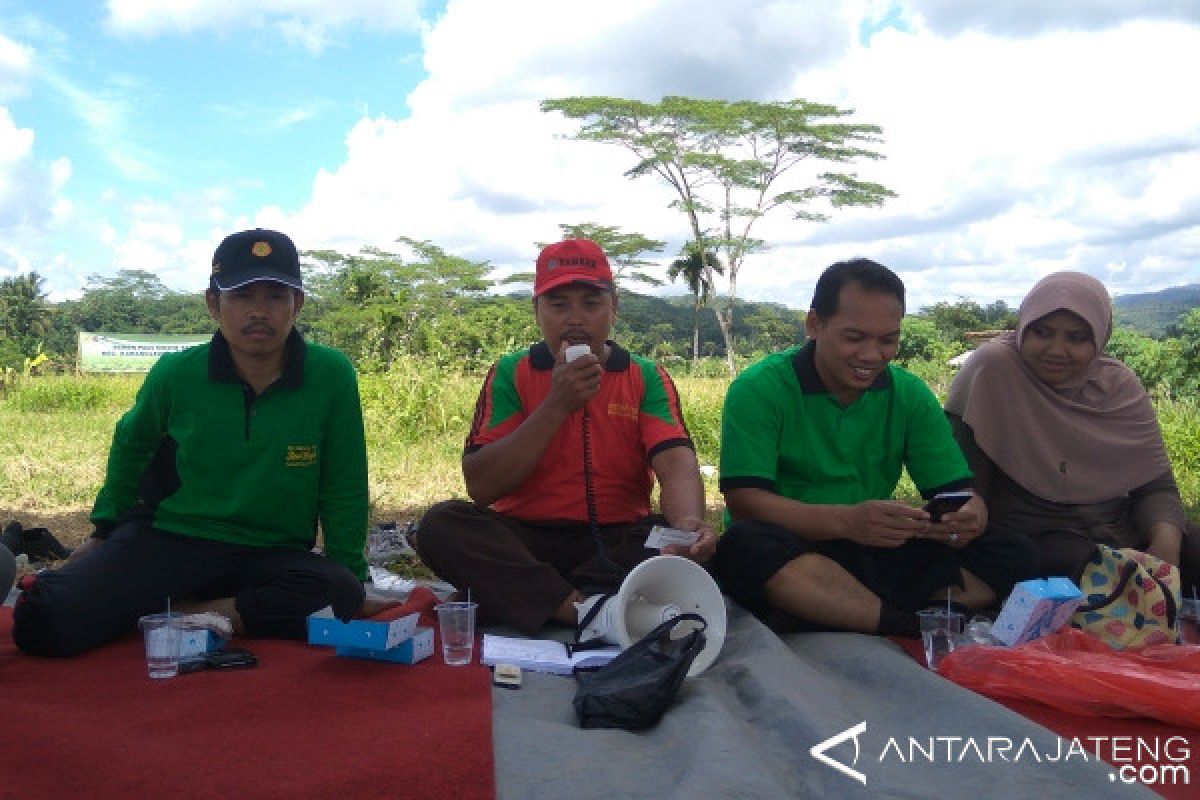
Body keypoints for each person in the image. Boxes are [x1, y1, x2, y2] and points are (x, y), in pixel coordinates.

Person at [13, 228, 373, 657]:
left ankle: (200, 612)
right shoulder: (176, 374)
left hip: (271, 553)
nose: (259, 311)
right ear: (212, 304)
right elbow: (132, 446)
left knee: (340, 593)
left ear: (297, 304)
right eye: (241, 296)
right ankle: (201, 609)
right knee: (41, 620)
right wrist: (105, 531)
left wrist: (350, 577)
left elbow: (344, 484)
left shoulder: (331, 375)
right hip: (171, 540)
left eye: (275, 296)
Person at [712, 258, 1035, 636]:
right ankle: (910, 623)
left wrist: (969, 514)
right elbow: (745, 502)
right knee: (745, 546)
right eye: (855, 338)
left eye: (888, 340)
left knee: (1014, 552)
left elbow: (956, 490)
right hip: (797, 548)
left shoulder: (909, 393)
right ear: (814, 325)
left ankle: (843, 611)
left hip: (876, 548)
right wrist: (847, 522)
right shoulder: (760, 388)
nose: (871, 355)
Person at [416, 238, 716, 635]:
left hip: (616, 538)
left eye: (591, 304)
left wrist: (689, 522)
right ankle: (587, 608)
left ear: (614, 308)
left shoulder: (644, 376)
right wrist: (556, 405)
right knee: (440, 525)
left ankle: (524, 596)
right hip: (524, 536)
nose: (575, 319)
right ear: (537, 311)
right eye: (559, 305)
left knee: (675, 540)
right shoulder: (510, 373)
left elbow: (675, 460)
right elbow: (482, 486)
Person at [945, 270, 1198, 592]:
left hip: (1120, 530)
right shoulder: (994, 370)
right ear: (1023, 328)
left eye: (1076, 338)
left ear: (1099, 337)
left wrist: (1165, 548)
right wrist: (967, 511)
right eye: (1042, 332)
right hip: (1034, 538)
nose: (1056, 349)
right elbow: (962, 481)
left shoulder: (1118, 386)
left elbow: (1155, 487)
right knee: (1098, 573)